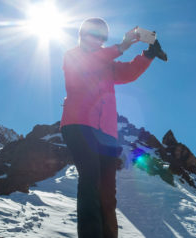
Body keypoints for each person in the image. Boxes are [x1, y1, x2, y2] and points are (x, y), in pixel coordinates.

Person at [60, 17, 166, 238]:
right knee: (90, 179)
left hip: (106, 134)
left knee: (107, 193)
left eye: (102, 36)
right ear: (82, 35)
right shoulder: (73, 56)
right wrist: (121, 46)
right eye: (94, 34)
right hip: (79, 126)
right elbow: (89, 64)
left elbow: (128, 72)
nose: (98, 40)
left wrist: (148, 55)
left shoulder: (106, 63)